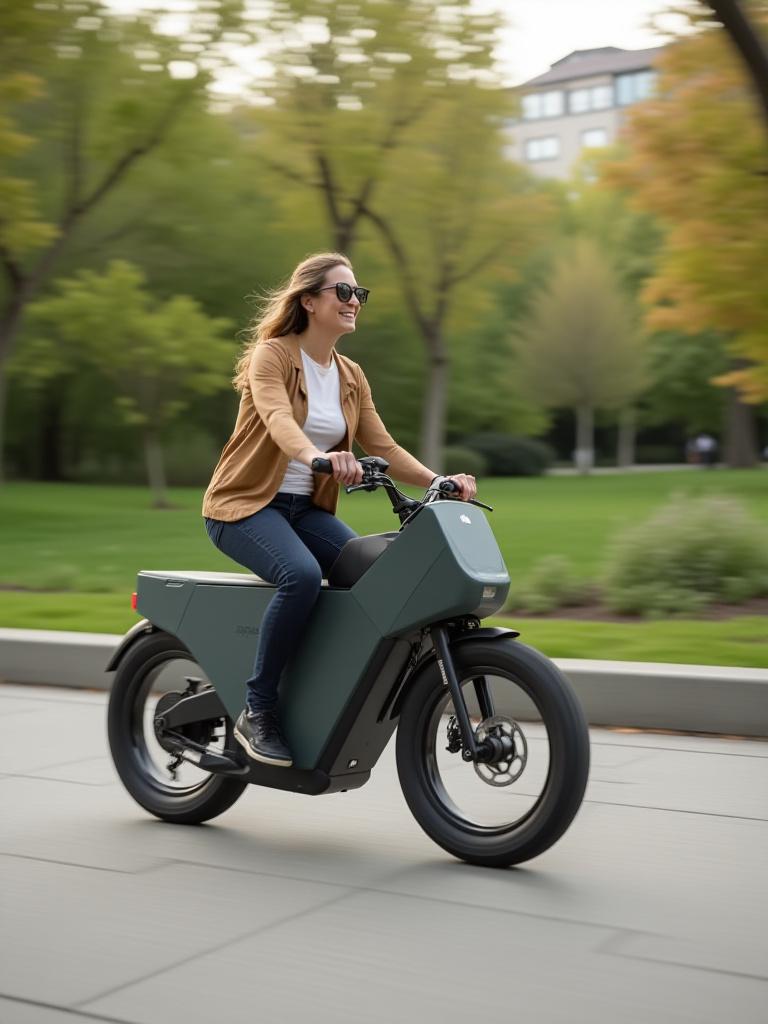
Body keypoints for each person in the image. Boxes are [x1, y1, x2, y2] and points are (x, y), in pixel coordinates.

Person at [202, 252, 476, 767]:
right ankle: (257, 710)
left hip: (303, 511)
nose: (355, 302)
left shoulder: (351, 375)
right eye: (343, 292)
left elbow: (385, 447)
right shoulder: (273, 357)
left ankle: (321, 690)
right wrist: (318, 458)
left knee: (378, 577)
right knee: (301, 576)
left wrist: (439, 480)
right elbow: (278, 418)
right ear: (309, 301)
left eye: (359, 294)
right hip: (243, 506)